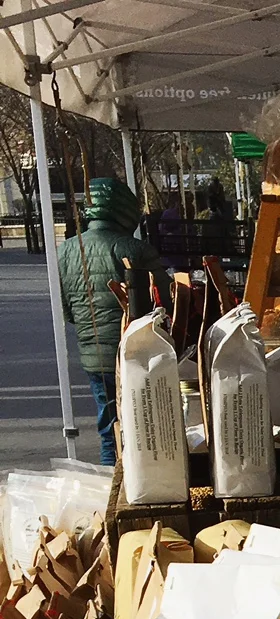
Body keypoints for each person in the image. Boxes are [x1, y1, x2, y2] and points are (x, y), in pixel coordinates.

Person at [56, 177, 169, 467]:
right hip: (138, 353)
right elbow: (166, 300)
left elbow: (66, 310)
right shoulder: (136, 249)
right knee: (144, 427)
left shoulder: (65, 251)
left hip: (93, 355)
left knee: (109, 428)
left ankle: (111, 481)